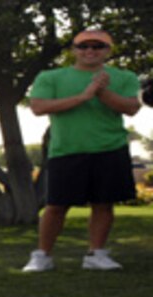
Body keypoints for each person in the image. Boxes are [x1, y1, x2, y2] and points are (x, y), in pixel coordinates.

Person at [22, 29, 141, 272]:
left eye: (98, 47)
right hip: (67, 150)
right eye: (83, 46)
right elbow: (38, 106)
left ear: (108, 51)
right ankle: (42, 256)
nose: (90, 51)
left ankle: (96, 254)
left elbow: (131, 108)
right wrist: (84, 95)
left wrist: (102, 91)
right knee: (56, 206)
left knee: (103, 203)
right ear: (73, 50)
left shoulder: (125, 77)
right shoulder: (51, 77)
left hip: (110, 148)